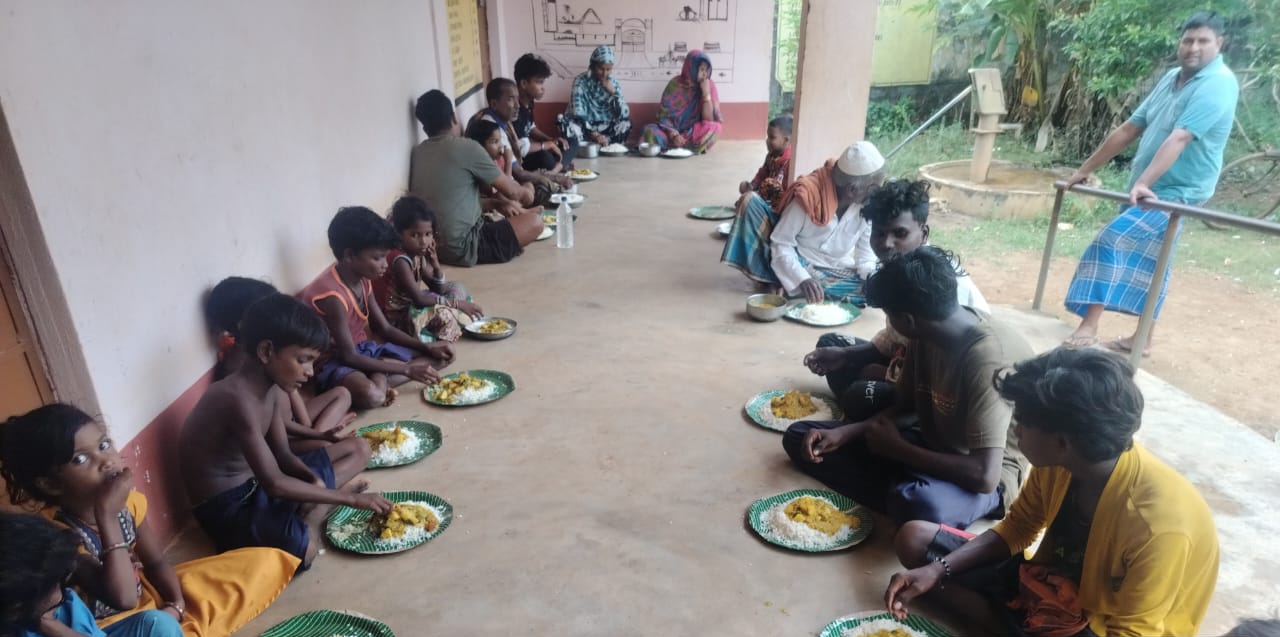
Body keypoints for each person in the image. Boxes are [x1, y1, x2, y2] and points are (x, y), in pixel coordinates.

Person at [885, 348, 1219, 637]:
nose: (1015, 430)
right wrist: (939, 568)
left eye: (1022, 422)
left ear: (1062, 443)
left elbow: (1133, 630)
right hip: (1044, 589)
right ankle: (1012, 622)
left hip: (1099, 625)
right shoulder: (1061, 462)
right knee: (914, 539)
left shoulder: (1157, 526)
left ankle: (1009, 622)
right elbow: (1017, 529)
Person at [783, 247, 1031, 529]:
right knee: (800, 437)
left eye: (890, 316)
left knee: (916, 504)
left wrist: (899, 451)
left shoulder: (988, 360)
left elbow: (984, 475)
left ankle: (909, 491)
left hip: (987, 477)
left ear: (908, 320)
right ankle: (905, 486)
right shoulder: (927, 333)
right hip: (930, 446)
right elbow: (904, 407)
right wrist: (845, 433)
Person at [0, 404, 298, 637]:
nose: (106, 460)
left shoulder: (128, 503)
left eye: (103, 445)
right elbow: (123, 599)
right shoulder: (57, 535)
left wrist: (177, 605)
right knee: (157, 624)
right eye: (81, 459)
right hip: (105, 622)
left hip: (148, 597)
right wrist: (105, 514)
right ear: (50, 485)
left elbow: (156, 563)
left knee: (263, 561)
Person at [1061, 11, 1239, 356]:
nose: (1194, 47)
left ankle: (1090, 323)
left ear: (1220, 43)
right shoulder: (1172, 77)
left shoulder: (1218, 83)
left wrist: (1142, 184)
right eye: (1188, 40)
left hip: (1179, 191)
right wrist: (1084, 169)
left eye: (1203, 41)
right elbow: (1130, 128)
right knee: (1157, 260)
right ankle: (1141, 340)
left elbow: (1180, 137)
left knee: (1113, 237)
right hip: (1148, 184)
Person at [181, 294, 394, 568]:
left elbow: (282, 454)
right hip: (232, 507)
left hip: (261, 486)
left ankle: (312, 505)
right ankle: (310, 515)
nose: (309, 372)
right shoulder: (235, 398)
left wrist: (310, 479)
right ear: (267, 351)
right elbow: (275, 483)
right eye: (303, 360)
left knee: (359, 449)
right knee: (304, 551)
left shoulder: (269, 389)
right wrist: (350, 498)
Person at [804, 180, 990, 422]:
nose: (886, 244)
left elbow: (940, 375)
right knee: (832, 345)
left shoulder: (937, 283)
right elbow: (895, 338)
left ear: (923, 234)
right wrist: (846, 354)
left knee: (860, 395)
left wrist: (882, 375)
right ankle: (871, 408)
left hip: (943, 391)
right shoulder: (896, 271)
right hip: (905, 361)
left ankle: (889, 421)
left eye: (899, 233)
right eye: (879, 233)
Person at [298, 206, 456, 410]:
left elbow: (385, 329)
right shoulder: (333, 297)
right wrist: (406, 370)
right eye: (377, 257)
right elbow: (348, 356)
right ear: (349, 255)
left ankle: (380, 375)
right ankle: (379, 376)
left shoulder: (362, 278)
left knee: (445, 354)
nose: (384, 264)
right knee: (371, 396)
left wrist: (425, 347)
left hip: (363, 350)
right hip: (333, 362)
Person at [206, 276, 355, 453]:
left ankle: (323, 434)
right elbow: (275, 430)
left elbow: (299, 413)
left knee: (342, 394)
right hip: (280, 440)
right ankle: (324, 436)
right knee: (326, 447)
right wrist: (317, 435)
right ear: (244, 323)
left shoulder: (274, 356)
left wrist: (315, 432)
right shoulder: (248, 367)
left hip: (293, 425)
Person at [721, 140, 883, 303]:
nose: (876, 193)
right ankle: (786, 281)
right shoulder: (809, 198)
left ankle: (789, 285)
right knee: (751, 203)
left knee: (868, 293)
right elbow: (781, 242)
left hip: (834, 269)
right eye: (873, 188)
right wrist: (802, 278)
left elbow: (865, 256)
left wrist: (872, 277)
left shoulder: (866, 208)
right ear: (852, 190)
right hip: (798, 260)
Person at [410, 89, 543, 265]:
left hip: (429, 247)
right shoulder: (467, 147)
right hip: (464, 247)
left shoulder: (419, 152)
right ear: (454, 118)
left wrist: (497, 204)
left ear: (424, 127)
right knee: (535, 222)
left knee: (507, 211)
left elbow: (452, 202)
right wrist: (528, 189)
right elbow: (514, 193)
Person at [0, 511, 183, 637]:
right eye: (55, 586)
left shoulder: (64, 605)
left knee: (158, 624)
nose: (63, 592)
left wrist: (51, 626)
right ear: (16, 608)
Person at [373, 195, 484, 343]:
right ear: (399, 234)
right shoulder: (400, 259)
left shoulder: (417, 255)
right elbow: (419, 299)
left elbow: (438, 289)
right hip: (396, 320)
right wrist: (458, 305)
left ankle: (453, 319)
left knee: (457, 287)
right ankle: (434, 337)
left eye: (428, 234)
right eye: (415, 235)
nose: (423, 241)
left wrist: (436, 265)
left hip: (411, 306)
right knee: (445, 314)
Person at [466, 78, 572, 202]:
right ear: (494, 104)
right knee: (540, 187)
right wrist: (554, 178)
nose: (517, 105)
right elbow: (518, 174)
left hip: (506, 178)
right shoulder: (493, 129)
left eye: (517, 98)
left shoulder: (498, 120)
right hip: (491, 188)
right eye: (511, 99)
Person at [641, 50, 722, 153]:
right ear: (691, 68)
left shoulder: (709, 86)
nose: (705, 74)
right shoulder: (675, 84)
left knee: (715, 128)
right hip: (670, 133)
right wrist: (674, 135)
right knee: (649, 130)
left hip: (692, 134)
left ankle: (687, 146)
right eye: (701, 69)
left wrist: (705, 93)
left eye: (707, 70)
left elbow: (709, 119)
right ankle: (677, 145)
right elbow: (664, 117)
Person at [464, 118, 543, 218]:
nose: (500, 146)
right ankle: (522, 211)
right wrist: (509, 161)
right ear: (479, 146)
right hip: (489, 203)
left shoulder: (496, 160)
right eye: (495, 142)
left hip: (503, 196)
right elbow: (503, 190)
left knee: (528, 186)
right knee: (501, 196)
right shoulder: (481, 166)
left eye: (500, 140)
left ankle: (520, 209)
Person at [513, 53, 576, 172]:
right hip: (520, 158)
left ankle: (558, 165)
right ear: (524, 84)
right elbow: (522, 149)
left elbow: (531, 128)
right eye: (539, 82)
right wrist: (547, 145)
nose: (543, 88)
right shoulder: (515, 109)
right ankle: (557, 169)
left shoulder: (529, 102)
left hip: (531, 148)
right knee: (545, 158)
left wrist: (552, 139)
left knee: (572, 141)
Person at [560, 45, 631, 148]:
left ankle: (606, 143)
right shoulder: (580, 81)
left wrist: (614, 92)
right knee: (565, 123)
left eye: (608, 69)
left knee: (626, 124)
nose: (604, 73)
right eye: (601, 68)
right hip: (584, 127)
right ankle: (584, 145)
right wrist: (594, 134)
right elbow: (577, 111)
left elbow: (624, 113)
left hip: (606, 128)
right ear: (593, 66)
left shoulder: (613, 83)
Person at [736, 114, 793, 213]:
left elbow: (784, 192)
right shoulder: (771, 156)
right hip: (766, 195)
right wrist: (752, 186)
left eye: (772, 137)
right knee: (743, 188)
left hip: (779, 204)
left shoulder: (790, 162)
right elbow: (762, 174)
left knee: (747, 203)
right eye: (767, 137)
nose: (767, 141)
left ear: (786, 140)